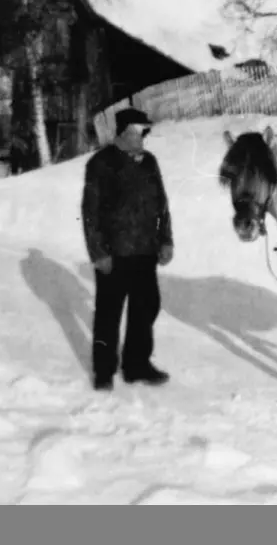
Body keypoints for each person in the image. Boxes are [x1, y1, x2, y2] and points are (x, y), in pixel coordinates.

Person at [81, 107, 174, 391]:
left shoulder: (149, 163)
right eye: (139, 131)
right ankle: (103, 371)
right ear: (123, 133)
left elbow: (161, 205)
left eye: (145, 131)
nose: (144, 136)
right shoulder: (101, 163)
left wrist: (166, 239)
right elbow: (90, 212)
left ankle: (136, 365)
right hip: (114, 253)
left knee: (146, 308)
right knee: (108, 313)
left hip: (145, 251)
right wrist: (98, 253)